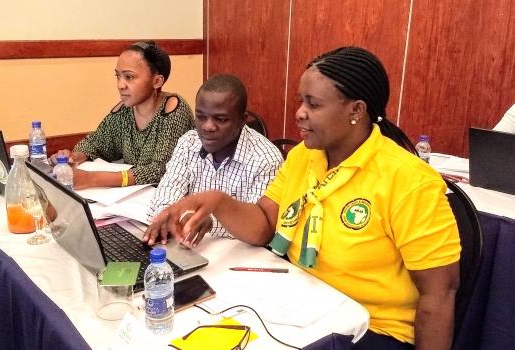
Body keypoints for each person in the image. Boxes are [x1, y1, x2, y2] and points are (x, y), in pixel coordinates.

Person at [146, 47, 461, 350]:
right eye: (301, 101)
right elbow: (264, 225)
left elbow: (439, 295)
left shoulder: (410, 181)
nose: (299, 113)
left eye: (313, 104)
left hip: (370, 328)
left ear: (356, 110)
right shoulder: (302, 157)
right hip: (301, 306)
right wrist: (216, 201)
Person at [144, 74, 283, 246]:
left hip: (238, 256)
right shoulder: (189, 142)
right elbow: (168, 190)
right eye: (201, 117)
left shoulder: (265, 160)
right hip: (189, 246)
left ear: (242, 120)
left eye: (221, 119)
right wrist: (166, 216)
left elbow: (259, 228)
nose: (207, 127)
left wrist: (208, 221)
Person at [50, 41, 194, 189]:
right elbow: (96, 143)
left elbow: (160, 170)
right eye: (118, 76)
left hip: (171, 199)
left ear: (157, 81)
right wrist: (74, 157)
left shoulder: (173, 110)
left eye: (129, 77)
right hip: (134, 198)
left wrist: (92, 179)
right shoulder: (125, 109)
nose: (120, 85)